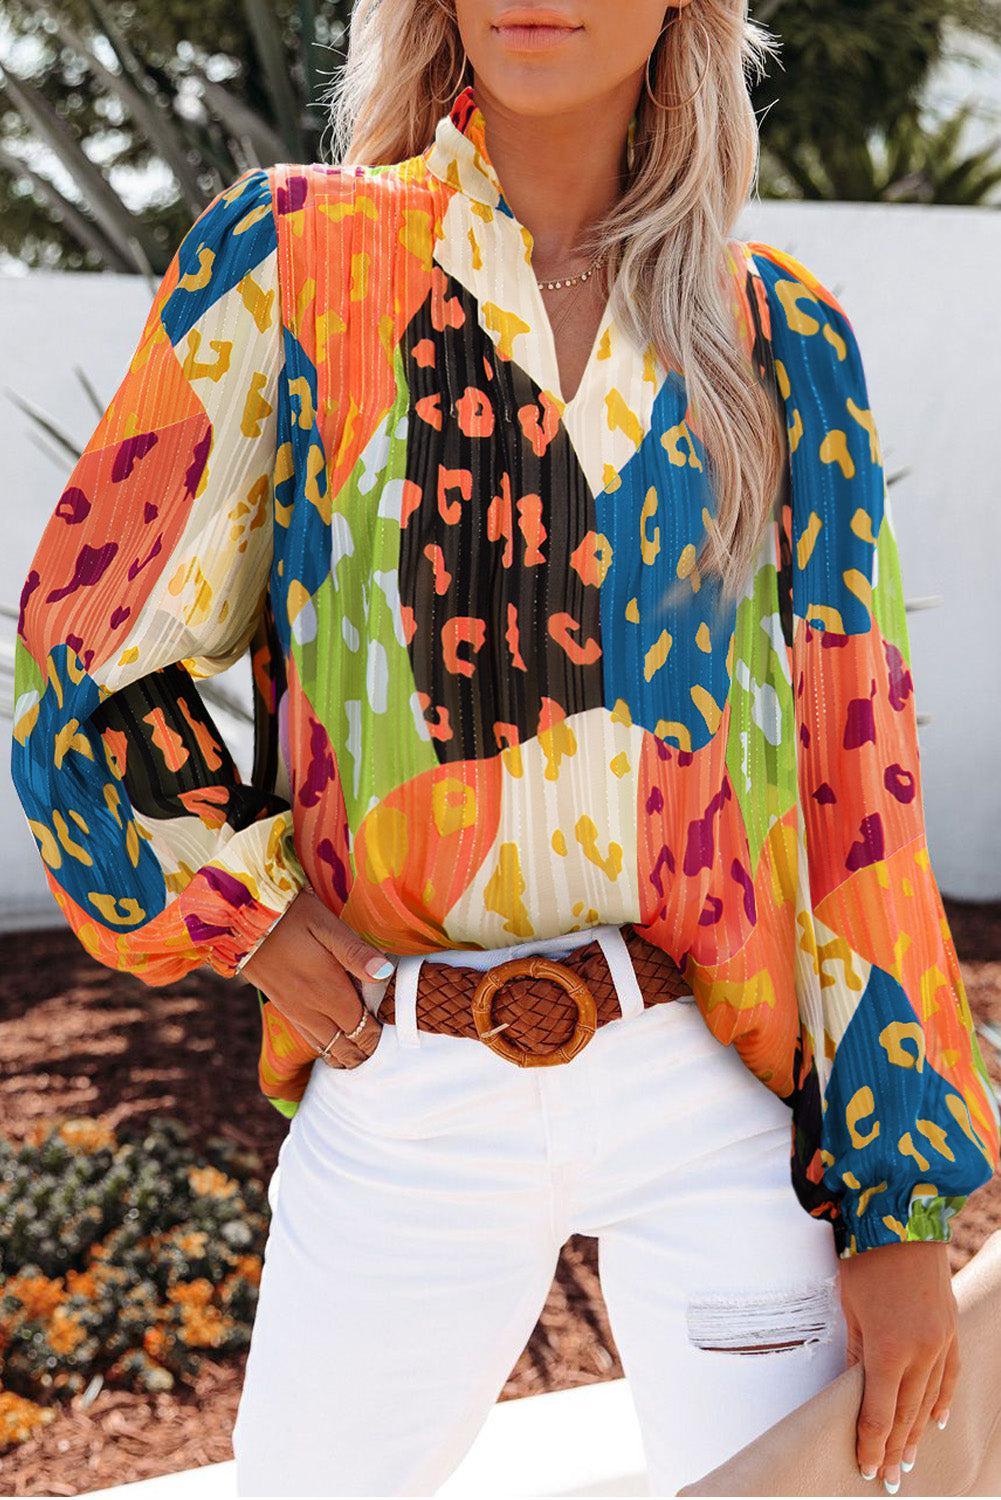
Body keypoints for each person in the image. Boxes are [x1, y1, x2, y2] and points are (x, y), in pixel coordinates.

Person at [10, 1, 999, 1495]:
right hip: (405, 1081)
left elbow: (850, 774)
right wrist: (245, 910)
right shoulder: (296, 263)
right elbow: (91, 635)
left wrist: (896, 1203)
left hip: (713, 1093)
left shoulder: (775, 330)